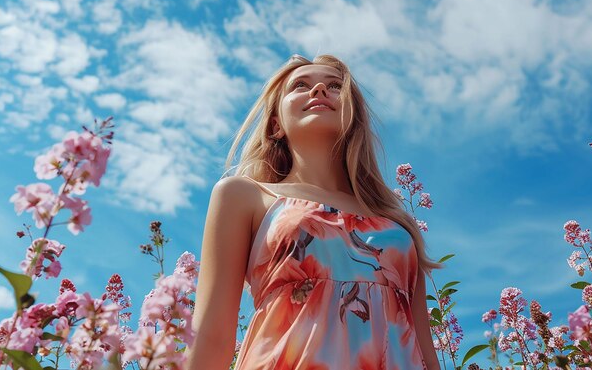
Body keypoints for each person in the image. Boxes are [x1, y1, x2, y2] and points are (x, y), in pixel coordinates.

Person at [183, 54, 444, 369]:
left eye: (335, 86)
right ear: (276, 123)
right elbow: (211, 336)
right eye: (300, 86)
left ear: (354, 116)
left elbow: (424, 352)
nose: (319, 89)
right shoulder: (245, 196)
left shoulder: (398, 225)